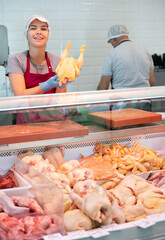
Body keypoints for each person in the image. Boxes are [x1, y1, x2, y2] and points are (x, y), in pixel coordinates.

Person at [6, 15, 70, 124]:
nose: (38, 32)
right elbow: (20, 95)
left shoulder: (58, 61)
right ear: (26, 33)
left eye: (43, 28)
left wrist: (62, 84)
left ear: (48, 34)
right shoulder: (16, 59)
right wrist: (47, 85)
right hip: (27, 124)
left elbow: (60, 98)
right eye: (33, 28)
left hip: (55, 122)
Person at [97, 24, 155, 90]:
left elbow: (103, 87)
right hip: (144, 97)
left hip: (121, 98)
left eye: (110, 42)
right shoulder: (144, 51)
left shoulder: (111, 55)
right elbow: (152, 81)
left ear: (113, 39)